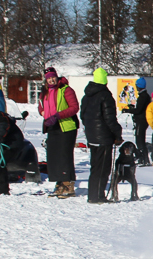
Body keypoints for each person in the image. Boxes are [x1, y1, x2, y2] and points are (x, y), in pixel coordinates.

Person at [80, 68, 122, 204]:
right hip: (104, 137)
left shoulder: (87, 96)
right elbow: (110, 119)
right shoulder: (105, 96)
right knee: (104, 168)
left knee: (95, 166)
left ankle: (93, 194)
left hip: (92, 136)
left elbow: (83, 116)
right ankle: (98, 196)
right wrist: (117, 134)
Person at [38, 67, 79, 197]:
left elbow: (74, 107)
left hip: (66, 126)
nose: (51, 80)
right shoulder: (44, 92)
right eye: (48, 78)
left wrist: (57, 116)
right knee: (54, 157)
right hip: (52, 127)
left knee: (64, 156)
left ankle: (68, 184)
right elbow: (41, 105)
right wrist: (42, 112)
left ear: (57, 76)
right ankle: (59, 184)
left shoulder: (66, 90)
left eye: (53, 77)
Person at [127, 76, 151, 165]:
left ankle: (144, 159)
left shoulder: (143, 96)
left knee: (140, 140)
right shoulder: (144, 96)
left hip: (141, 121)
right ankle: (143, 159)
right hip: (142, 120)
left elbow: (139, 110)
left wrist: (129, 110)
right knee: (140, 140)